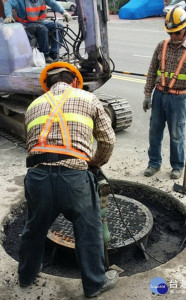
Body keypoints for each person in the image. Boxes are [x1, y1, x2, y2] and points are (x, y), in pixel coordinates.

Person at [19, 62, 118, 298]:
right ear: (75, 81)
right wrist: (94, 164)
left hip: (37, 176)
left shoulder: (33, 106)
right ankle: (94, 284)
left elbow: (30, 144)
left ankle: (26, 275)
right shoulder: (88, 98)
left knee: (34, 228)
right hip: (74, 179)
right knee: (88, 230)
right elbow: (107, 141)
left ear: (47, 86)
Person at [143, 7, 186, 179]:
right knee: (154, 131)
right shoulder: (161, 46)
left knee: (176, 134)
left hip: (178, 99)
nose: (173, 36)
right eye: (170, 33)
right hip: (159, 96)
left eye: (177, 33)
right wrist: (147, 94)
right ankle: (154, 163)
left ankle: (177, 166)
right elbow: (152, 71)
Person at [3, 0, 72, 63]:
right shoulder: (20, 1)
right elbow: (8, 3)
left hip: (39, 22)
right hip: (26, 23)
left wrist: (64, 12)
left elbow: (53, 4)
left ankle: (53, 53)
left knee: (59, 26)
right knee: (42, 29)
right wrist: (9, 16)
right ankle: (45, 55)